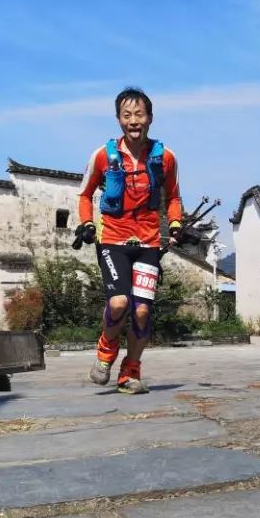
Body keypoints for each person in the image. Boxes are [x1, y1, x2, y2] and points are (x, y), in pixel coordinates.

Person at [76, 87, 184, 394]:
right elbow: (84, 194)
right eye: (127, 115)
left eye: (139, 114)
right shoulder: (102, 155)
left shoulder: (166, 158)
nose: (133, 121)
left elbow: (173, 197)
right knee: (119, 303)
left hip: (148, 243)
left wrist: (175, 224)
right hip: (112, 239)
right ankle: (105, 352)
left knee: (142, 312)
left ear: (150, 118)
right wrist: (87, 224)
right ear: (118, 119)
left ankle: (130, 371)